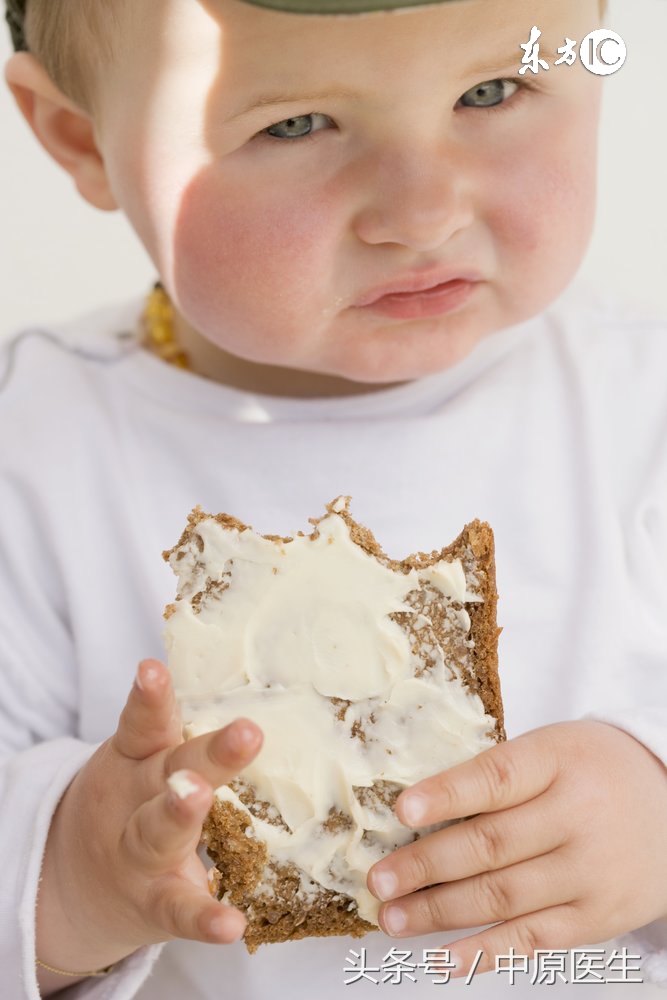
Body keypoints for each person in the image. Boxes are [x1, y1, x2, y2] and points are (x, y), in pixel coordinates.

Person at [1, 0, 666, 996]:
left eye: (491, 89)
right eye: (295, 124)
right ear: (80, 138)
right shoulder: (36, 453)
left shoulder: (638, 410)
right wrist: (74, 879)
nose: (422, 212)